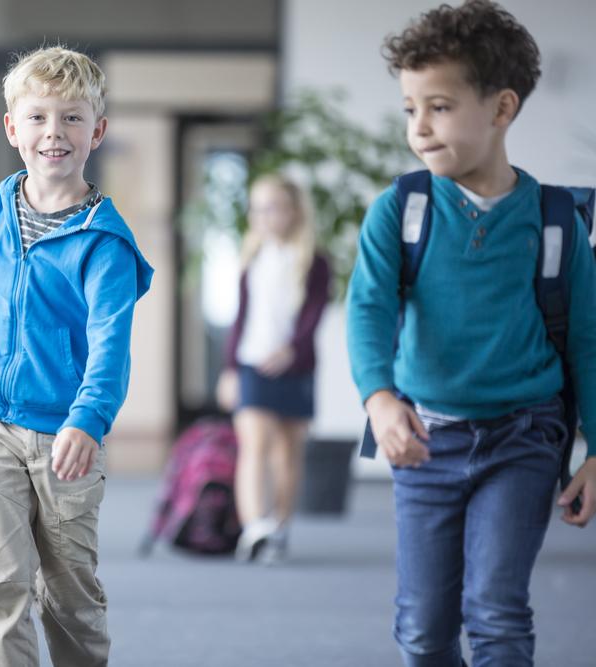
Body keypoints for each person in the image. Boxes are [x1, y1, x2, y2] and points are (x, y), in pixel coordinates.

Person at [346, 1, 596, 664]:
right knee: (424, 630)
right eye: (410, 109)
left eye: (439, 106)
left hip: (524, 439)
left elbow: (588, 340)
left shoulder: (555, 221)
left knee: (497, 613)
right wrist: (379, 396)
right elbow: (367, 309)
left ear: (501, 108)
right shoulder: (401, 211)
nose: (420, 128)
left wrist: (595, 448)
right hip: (427, 441)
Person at [0, 46, 153, 667]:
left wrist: (87, 420)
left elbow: (110, 347)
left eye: (71, 118)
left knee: (68, 598)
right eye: (38, 117)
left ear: (97, 131)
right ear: (13, 128)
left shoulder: (106, 242)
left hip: (66, 436)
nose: (54, 133)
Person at [215, 174, 329, 564]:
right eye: (258, 208)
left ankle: (279, 526)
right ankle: (254, 528)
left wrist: (291, 352)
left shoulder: (314, 261)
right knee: (255, 445)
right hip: (252, 365)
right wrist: (230, 369)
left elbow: (314, 315)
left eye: (273, 207)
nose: (264, 216)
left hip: (295, 368)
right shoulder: (252, 259)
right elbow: (240, 318)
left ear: (294, 211)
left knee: (287, 452)